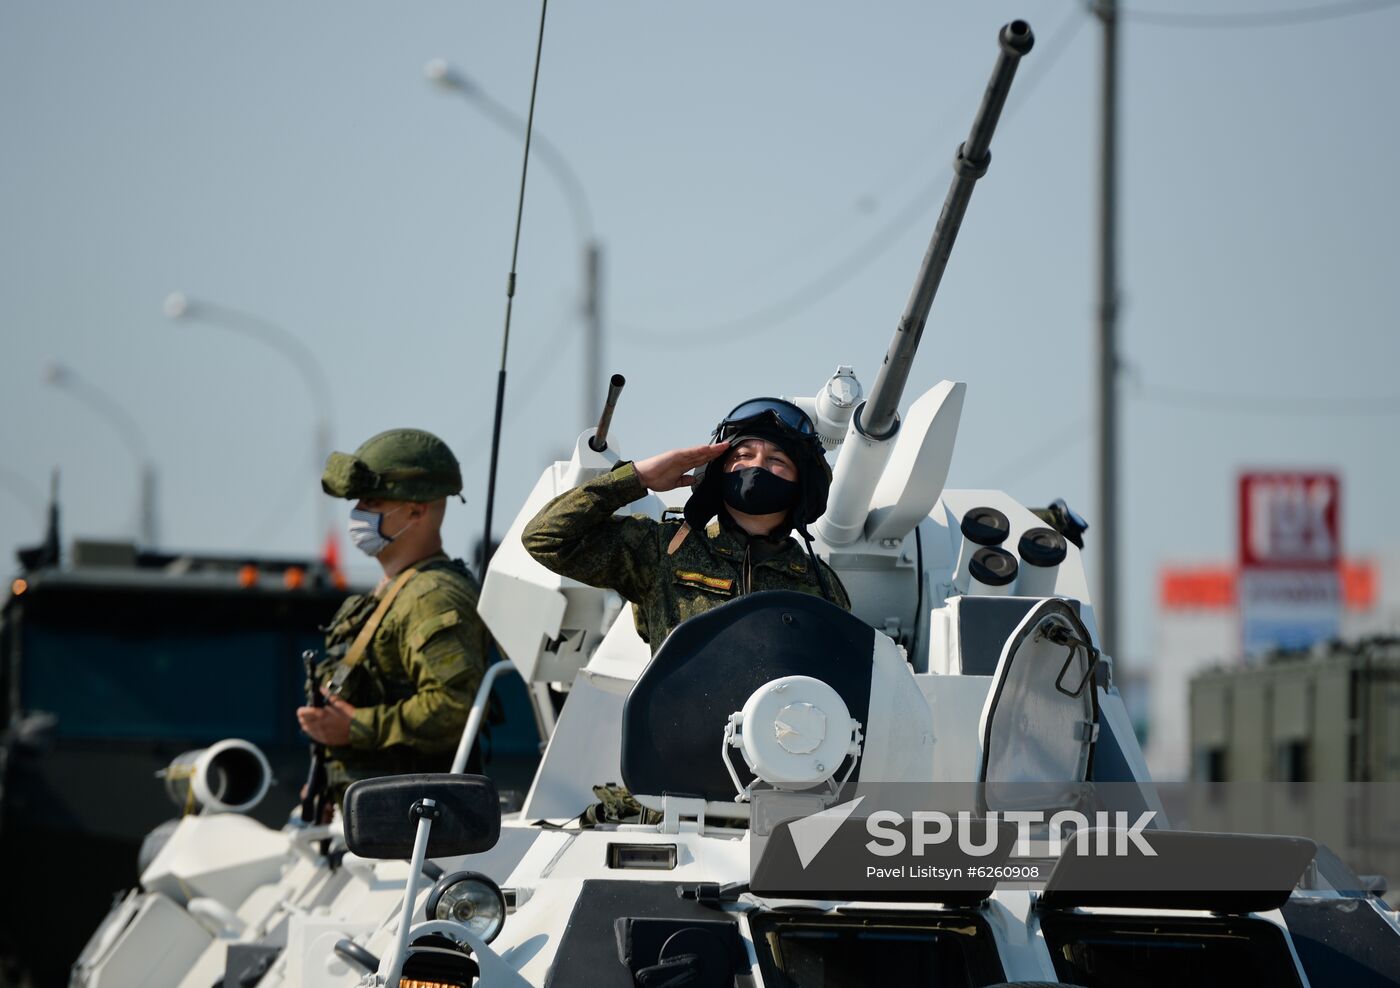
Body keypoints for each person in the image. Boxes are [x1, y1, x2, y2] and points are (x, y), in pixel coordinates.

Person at [522, 397, 850, 655]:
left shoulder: (819, 584)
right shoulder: (663, 550)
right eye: (743, 455)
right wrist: (636, 478)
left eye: (776, 460)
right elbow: (546, 537)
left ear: (803, 484)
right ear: (717, 470)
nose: (756, 466)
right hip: (682, 733)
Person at [296, 428, 489, 806]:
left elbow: (451, 709)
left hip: (410, 823)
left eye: (372, 501)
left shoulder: (431, 597)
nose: (358, 514)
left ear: (416, 510)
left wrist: (355, 728)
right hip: (373, 813)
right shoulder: (396, 588)